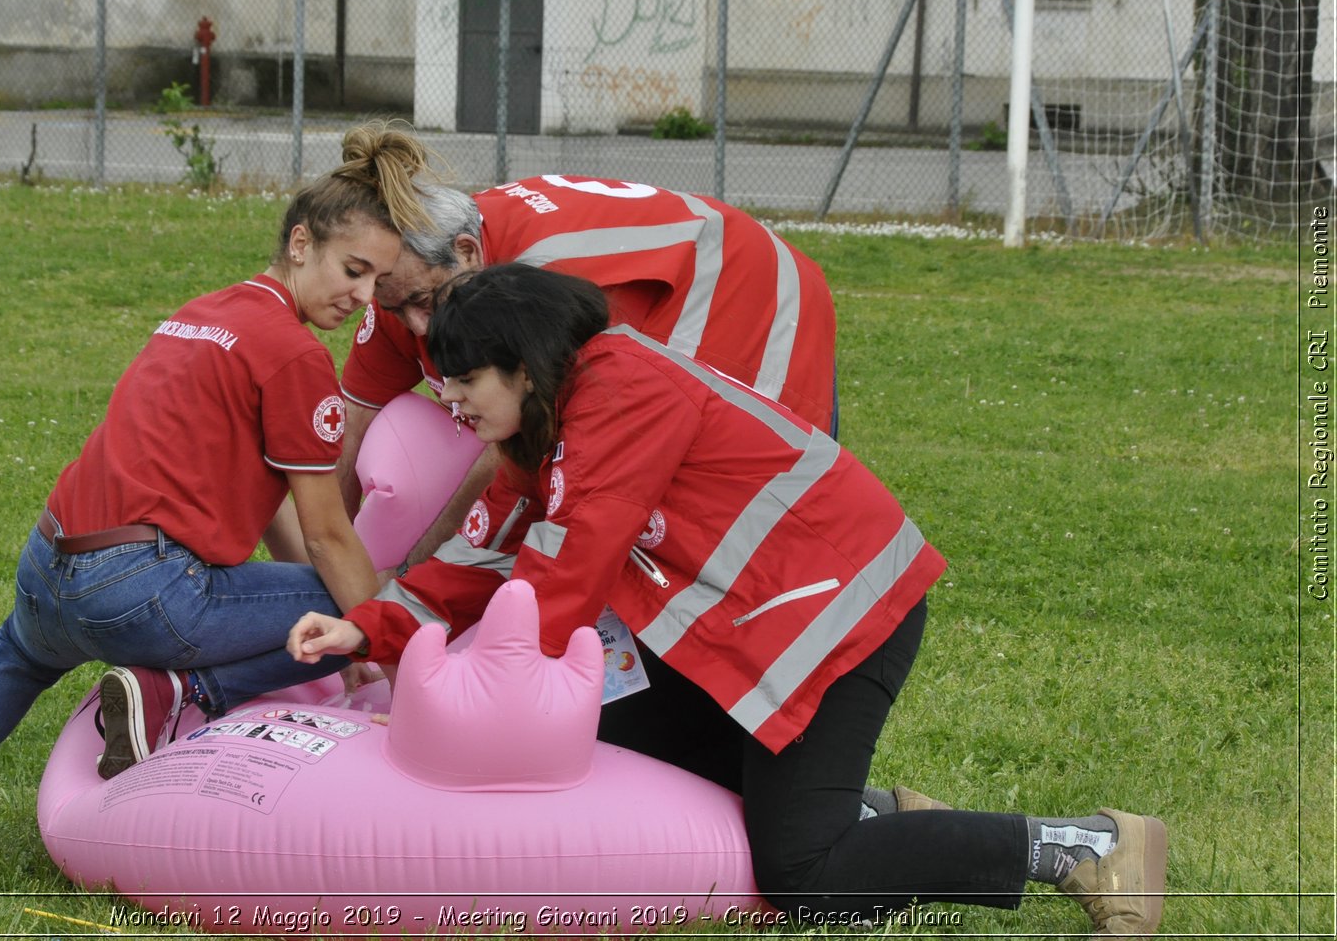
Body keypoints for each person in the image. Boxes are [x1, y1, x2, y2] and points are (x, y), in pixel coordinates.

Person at [290, 265, 1167, 935]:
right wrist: (369, 627)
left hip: (842, 621)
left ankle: (1092, 846)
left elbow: (564, 572)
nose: (446, 400)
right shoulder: (549, 415)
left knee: (804, 877)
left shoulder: (622, 393)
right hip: (750, 629)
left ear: (522, 368)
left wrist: (479, 691)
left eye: (461, 381)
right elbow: (476, 555)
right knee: (616, 733)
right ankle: (887, 820)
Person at [0, 123, 435, 863]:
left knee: (15, 650)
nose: (363, 296)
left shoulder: (203, 311)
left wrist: (310, 590)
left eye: (378, 281)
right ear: (301, 244)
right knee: (349, 603)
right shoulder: (296, 356)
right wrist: (376, 635)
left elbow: (282, 508)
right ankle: (177, 695)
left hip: (48, 563)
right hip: (140, 589)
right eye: (353, 269)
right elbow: (330, 534)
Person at [334, 174, 836, 578]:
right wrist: (331, 570)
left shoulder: (544, 280)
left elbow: (514, 455)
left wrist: (408, 574)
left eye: (423, 303)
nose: (417, 326)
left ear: (467, 253)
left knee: (695, 505)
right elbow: (349, 426)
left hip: (738, 279)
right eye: (395, 309)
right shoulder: (413, 272)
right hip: (656, 261)